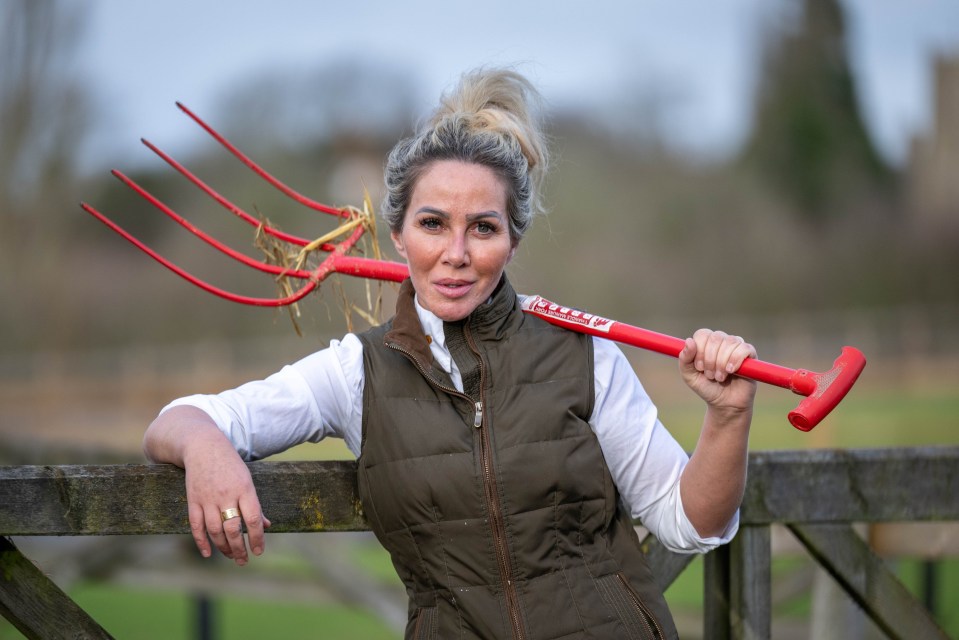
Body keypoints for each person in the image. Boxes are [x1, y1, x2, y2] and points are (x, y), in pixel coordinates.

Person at [143, 67, 757, 640]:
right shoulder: (358, 372)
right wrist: (207, 450)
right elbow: (181, 420)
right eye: (433, 224)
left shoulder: (583, 356)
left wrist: (727, 417)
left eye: (483, 228)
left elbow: (691, 522)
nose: (456, 253)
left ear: (513, 241)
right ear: (399, 233)